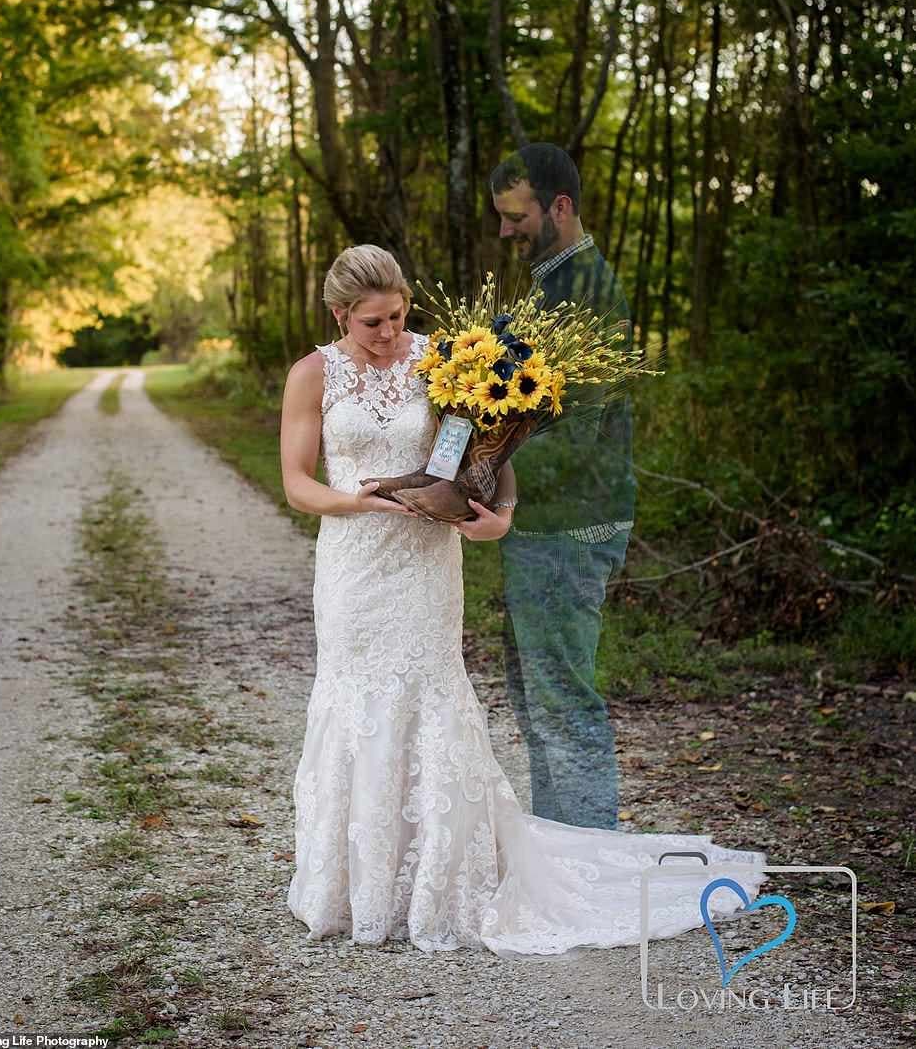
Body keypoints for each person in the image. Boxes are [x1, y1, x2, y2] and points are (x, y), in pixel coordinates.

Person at [280, 242, 765, 955]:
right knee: (355, 698)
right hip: (354, 564)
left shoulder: (444, 362)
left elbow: (494, 452)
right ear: (339, 314)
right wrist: (366, 505)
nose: (389, 334)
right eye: (373, 323)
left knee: (431, 692)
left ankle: (441, 880)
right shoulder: (312, 373)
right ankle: (355, 885)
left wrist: (499, 516)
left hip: (426, 566)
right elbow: (298, 482)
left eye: (398, 316)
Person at [490, 143, 634, 829]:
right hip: (537, 523)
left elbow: (576, 436)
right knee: (535, 701)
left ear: (560, 206)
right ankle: (560, 857)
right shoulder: (549, 286)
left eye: (516, 215)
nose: (505, 230)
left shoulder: (591, 293)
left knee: (561, 702)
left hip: (573, 526)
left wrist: (480, 476)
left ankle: (592, 866)